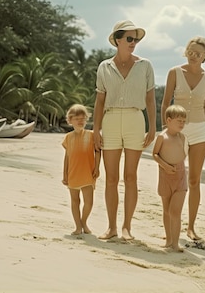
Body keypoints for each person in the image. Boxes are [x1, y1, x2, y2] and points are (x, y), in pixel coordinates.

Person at [93, 20, 156, 241]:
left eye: (136, 39)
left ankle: (127, 226)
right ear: (117, 40)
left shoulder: (145, 65)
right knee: (111, 178)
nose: (133, 43)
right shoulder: (104, 67)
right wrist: (95, 130)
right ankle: (111, 227)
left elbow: (150, 98)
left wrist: (153, 127)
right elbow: (99, 101)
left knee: (131, 177)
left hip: (135, 120)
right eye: (129, 39)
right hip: (110, 121)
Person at [160, 36, 205, 241]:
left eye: (198, 54)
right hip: (177, 131)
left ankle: (191, 227)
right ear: (186, 52)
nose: (193, 56)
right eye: (190, 52)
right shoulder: (175, 73)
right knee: (172, 176)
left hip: (201, 130)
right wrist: (166, 130)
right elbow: (165, 102)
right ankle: (169, 222)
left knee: (194, 180)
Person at [152, 105, 188, 252]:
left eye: (184, 121)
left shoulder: (183, 137)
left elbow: (184, 154)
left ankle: (175, 243)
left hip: (180, 176)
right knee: (167, 210)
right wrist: (165, 166)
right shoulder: (162, 137)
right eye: (179, 120)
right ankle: (168, 240)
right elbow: (155, 154)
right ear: (168, 120)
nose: (182, 124)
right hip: (165, 175)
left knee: (175, 211)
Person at [61, 104, 101, 235]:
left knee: (89, 202)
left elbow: (98, 152)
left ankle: (83, 222)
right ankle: (78, 226)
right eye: (77, 118)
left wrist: (97, 167)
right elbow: (67, 157)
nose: (80, 121)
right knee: (75, 201)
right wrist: (64, 174)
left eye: (83, 118)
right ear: (70, 120)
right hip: (73, 173)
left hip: (88, 172)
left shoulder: (91, 135)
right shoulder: (68, 137)